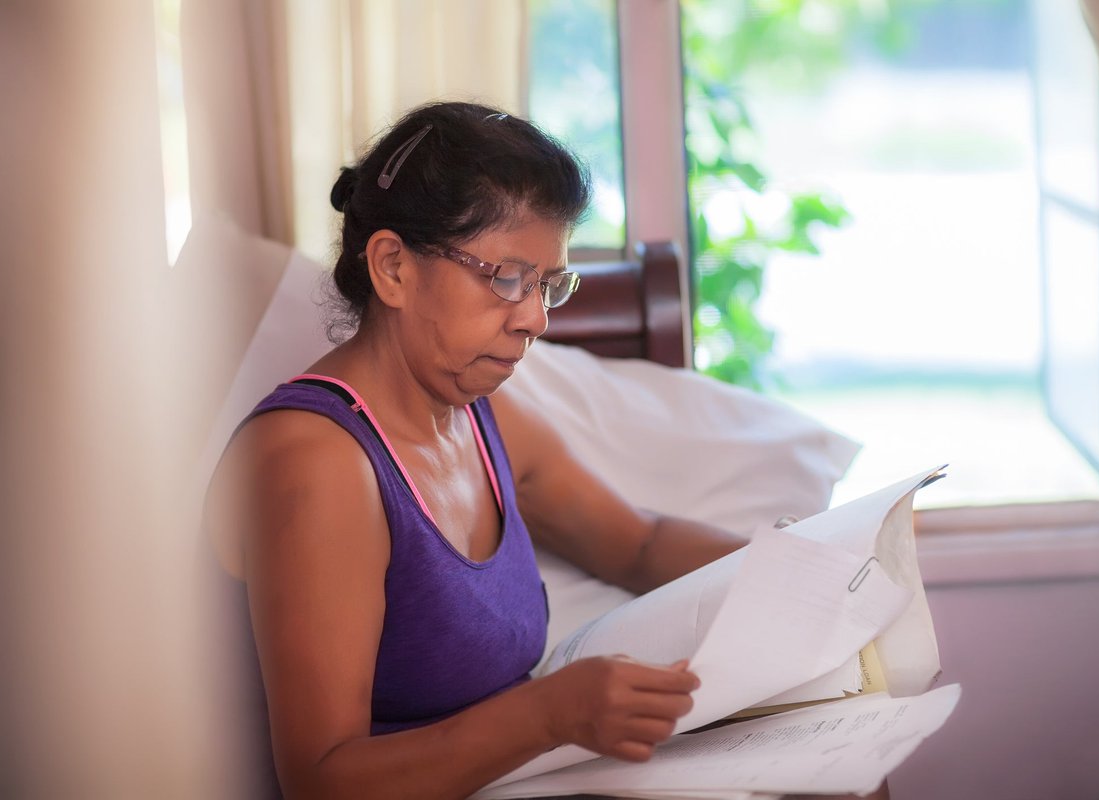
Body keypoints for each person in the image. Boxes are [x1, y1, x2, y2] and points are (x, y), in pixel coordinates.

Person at [204, 100, 751, 800]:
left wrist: (796, 564)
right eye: (507, 279)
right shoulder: (318, 462)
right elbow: (323, 781)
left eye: (549, 284)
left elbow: (636, 544)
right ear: (394, 267)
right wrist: (550, 713)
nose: (535, 319)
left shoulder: (481, 418)